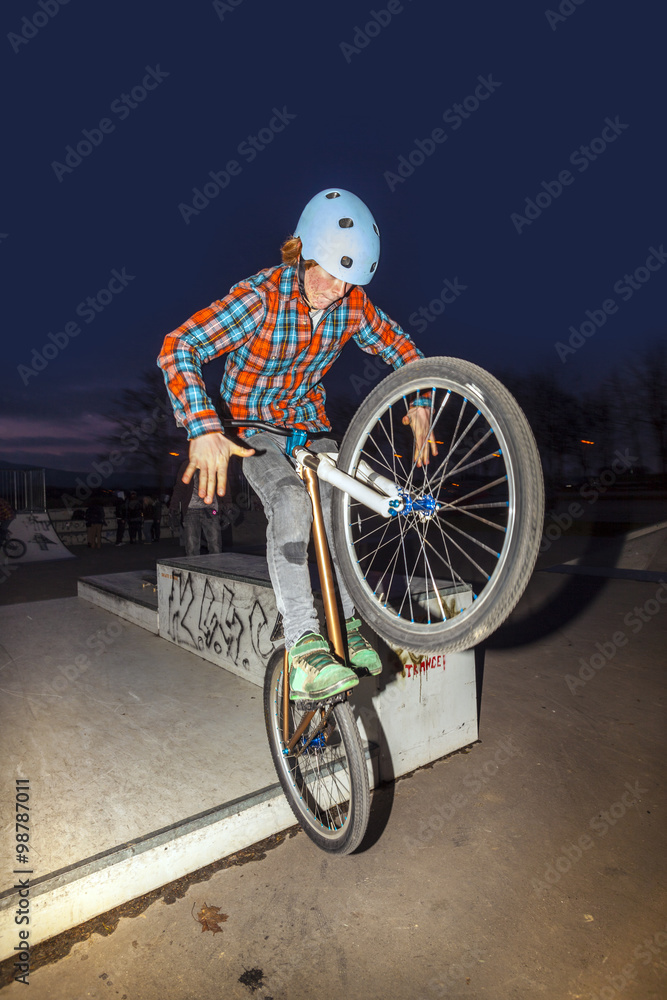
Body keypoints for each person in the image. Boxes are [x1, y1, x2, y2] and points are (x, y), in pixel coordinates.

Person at [158, 188, 435, 701]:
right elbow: (180, 346)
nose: (335, 290)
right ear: (301, 252)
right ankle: (304, 642)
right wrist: (202, 425)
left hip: (309, 424)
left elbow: (400, 346)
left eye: (347, 280)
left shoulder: (353, 304)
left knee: (336, 510)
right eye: (327, 273)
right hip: (252, 429)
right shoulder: (261, 296)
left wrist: (417, 398)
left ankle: (348, 627)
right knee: (289, 500)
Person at [170, 460, 225, 556]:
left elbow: (224, 484)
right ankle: (194, 568)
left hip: (210, 510)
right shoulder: (188, 464)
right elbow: (180, 486)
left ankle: (216, 567)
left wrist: (227, 504)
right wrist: (173, 506)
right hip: (192, 510)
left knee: (215, 546)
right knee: (191, 547)